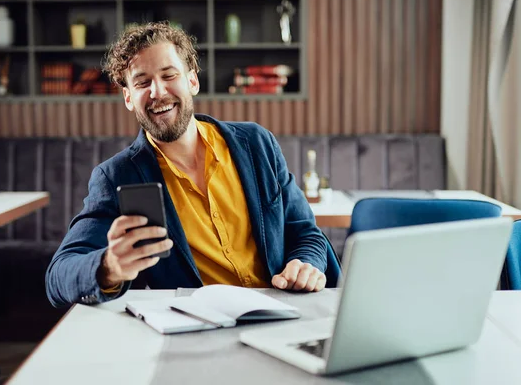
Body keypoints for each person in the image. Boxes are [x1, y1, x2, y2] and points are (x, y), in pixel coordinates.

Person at [46, 22, 329, 308]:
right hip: (202, 329)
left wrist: (305, 265)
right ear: (128, 97)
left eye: (169, 75)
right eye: (143, 82)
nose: (158, 92)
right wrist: (109, 266)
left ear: (192, 81)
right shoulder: (118, 177)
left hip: (285, 311)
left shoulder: (256, 143)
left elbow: (305, 232)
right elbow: (58, 277)